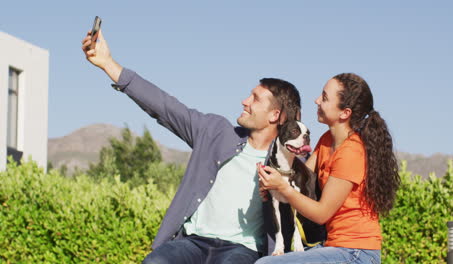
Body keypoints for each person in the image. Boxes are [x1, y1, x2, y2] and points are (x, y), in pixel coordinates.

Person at [81, 29, 303, 264]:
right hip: (192, 242)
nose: (245, 102)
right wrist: (108, 64)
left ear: (274, 115)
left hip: (242, 250)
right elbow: (164, 106)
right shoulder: (215, 131)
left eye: (255, 99)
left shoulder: (289, 167)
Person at [255, 73, 400, 264]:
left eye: (324, 97)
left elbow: (322, 213)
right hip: (334, 246)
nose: (316, 101)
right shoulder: (326, 141)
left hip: (356, 252)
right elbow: (299, 178)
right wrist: (273, 186)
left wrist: (283, 188)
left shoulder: (351, 152)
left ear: (344, 113)